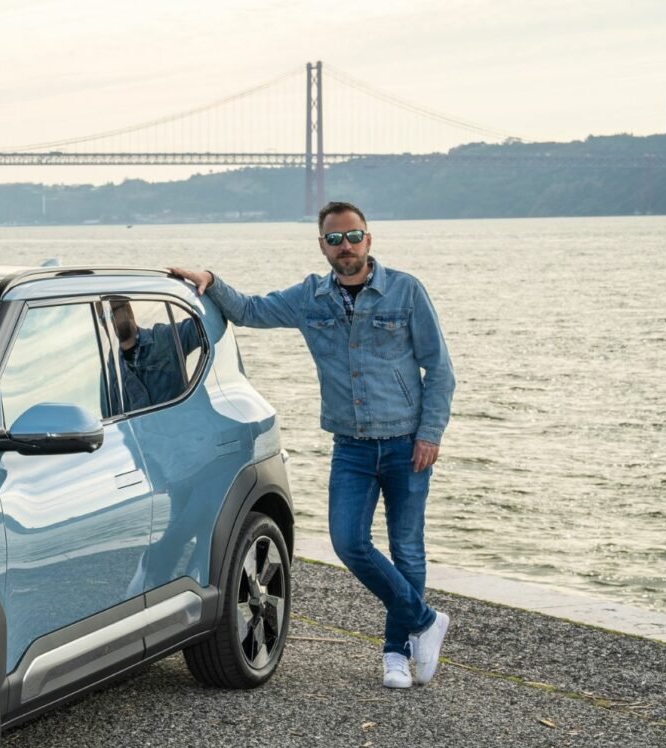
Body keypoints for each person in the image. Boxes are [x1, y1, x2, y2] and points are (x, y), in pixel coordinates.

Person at [169, 202, 456, 690]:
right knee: (348, 542)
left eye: (354, 236)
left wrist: (430, 433)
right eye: (335, 239)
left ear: (369, 239)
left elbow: (440, 369)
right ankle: (426, 621)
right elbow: (251, 311)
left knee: (407, 549)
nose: (346, 246)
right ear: (322, 245)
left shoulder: (406, 291)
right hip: (352, 447)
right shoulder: (310, 298)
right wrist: (210, 281)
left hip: (407, 442)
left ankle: (396, 652)